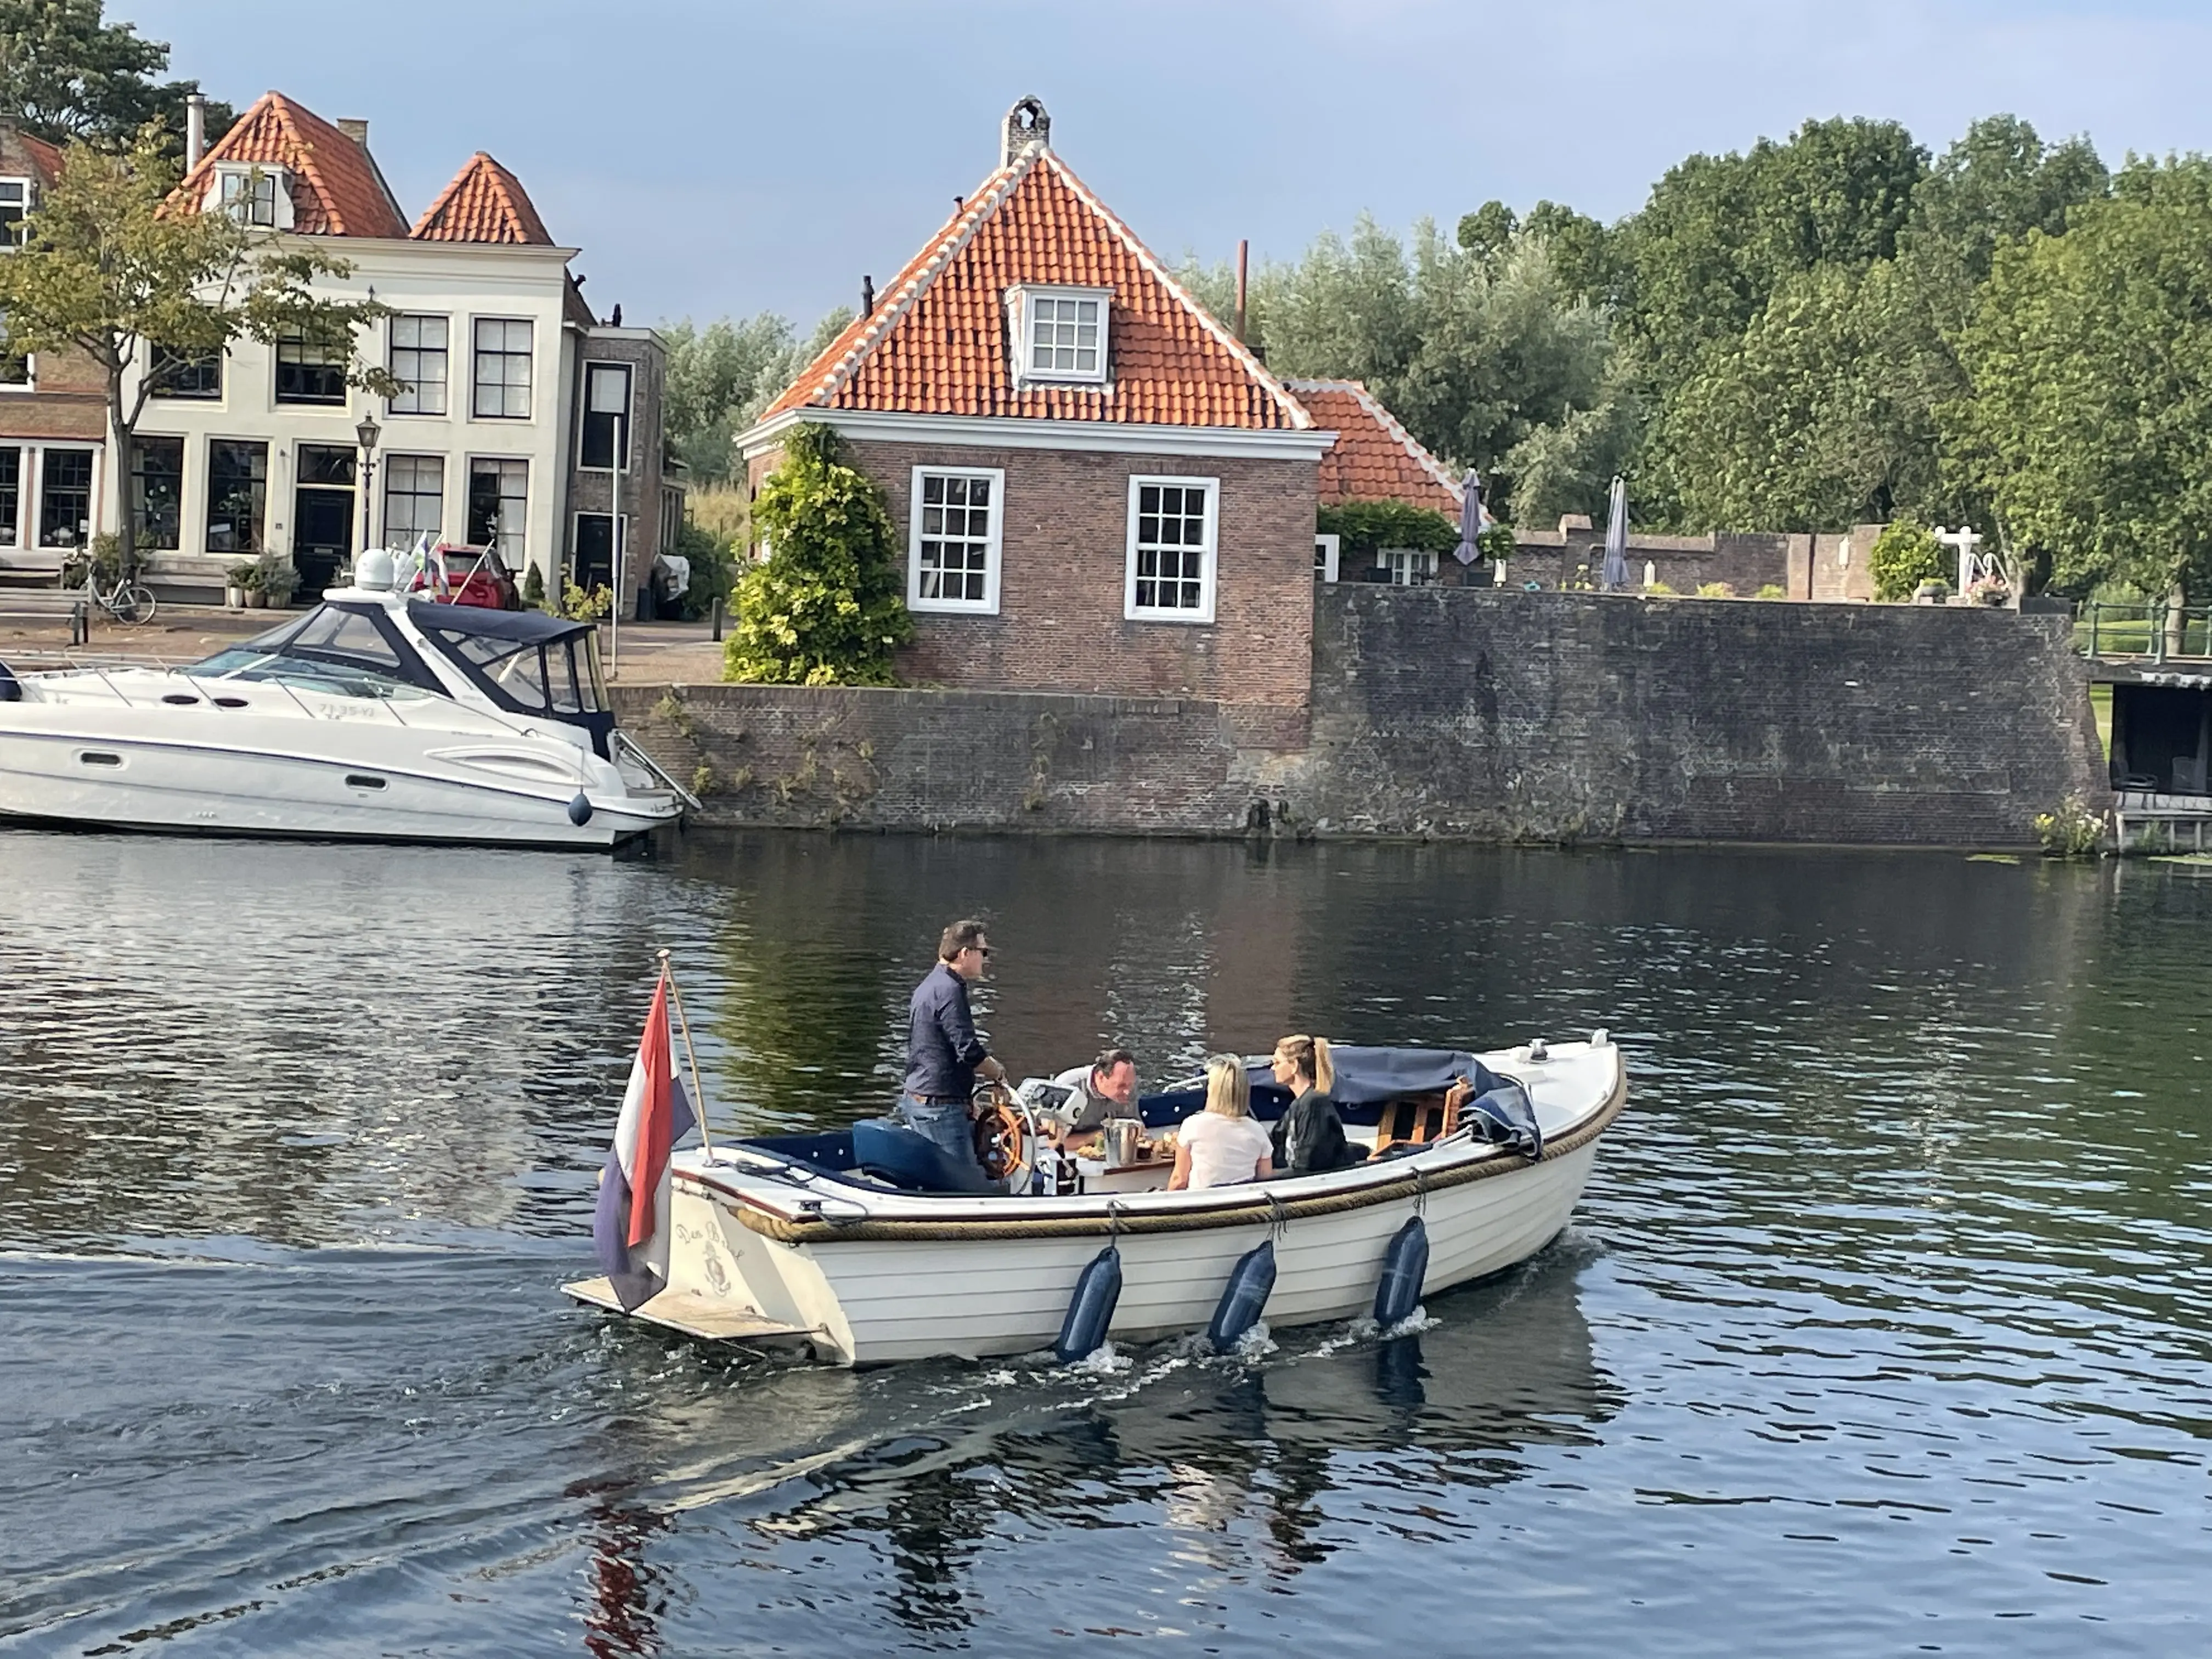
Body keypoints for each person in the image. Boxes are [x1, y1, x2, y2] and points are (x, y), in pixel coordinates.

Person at [899, 919, 1007, 1180]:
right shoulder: (950, 990)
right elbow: (968, 1050)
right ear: (965, 953)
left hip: (920, 1100)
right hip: (939, 1110)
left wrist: (967, 1101)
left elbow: (936, 1049)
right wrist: (997, 1073)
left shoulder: (929, 985)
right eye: (983, 952)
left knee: (932, 1179)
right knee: (965, 1185)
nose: (985, 959)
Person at [1169, 1054, 1273, 1191]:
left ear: (1213, 1091)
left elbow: (1180, 1180)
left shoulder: (1192, 1125)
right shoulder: (1258, 1131)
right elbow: (1265, 1180)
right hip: (1241, 1205)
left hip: (1201, 1204)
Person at [1269, 1034, 1361, 1177]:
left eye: (1277, 1063)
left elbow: (1308, 1164)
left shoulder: (1313, 1104)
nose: (1272, 1068)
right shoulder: (1298, 1105)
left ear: (1294, 1066)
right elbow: (1275, 1143)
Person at [1046, 1048, 1139, 1150]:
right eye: (1121, 1085)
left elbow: (1137, 1129)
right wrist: (1094, 1138)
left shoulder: (1128, 1087)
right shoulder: (1067, 1087)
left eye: (1131, 1084)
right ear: (1100, 1077)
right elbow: (1055, 1143)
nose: (1127, 1091)